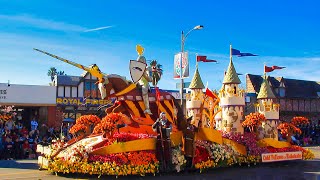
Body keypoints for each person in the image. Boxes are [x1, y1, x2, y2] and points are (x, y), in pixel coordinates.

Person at [136, 45, 152, 115]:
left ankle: (147, 109)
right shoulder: (136, 69)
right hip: (137, 83)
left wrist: (144, 74)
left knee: (144, 91)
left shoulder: (148, 68)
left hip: (144, 83)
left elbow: (150, 79)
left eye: (140, 61)